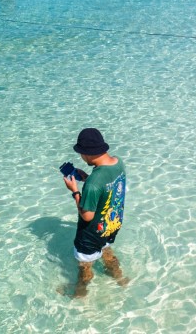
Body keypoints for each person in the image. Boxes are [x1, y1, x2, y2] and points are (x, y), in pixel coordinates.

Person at [62, 127, 128, 297]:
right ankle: (120, 279)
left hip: (91, 234)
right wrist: (87, 177)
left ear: (87, 153)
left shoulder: (93, 184)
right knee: (107, 252)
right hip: (111, 226)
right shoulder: (118, 163)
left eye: (81, 154)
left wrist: (75, 191)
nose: (81, 158)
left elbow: (87, 215)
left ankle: (80, 293)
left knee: (85, 267)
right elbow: (108, 185)